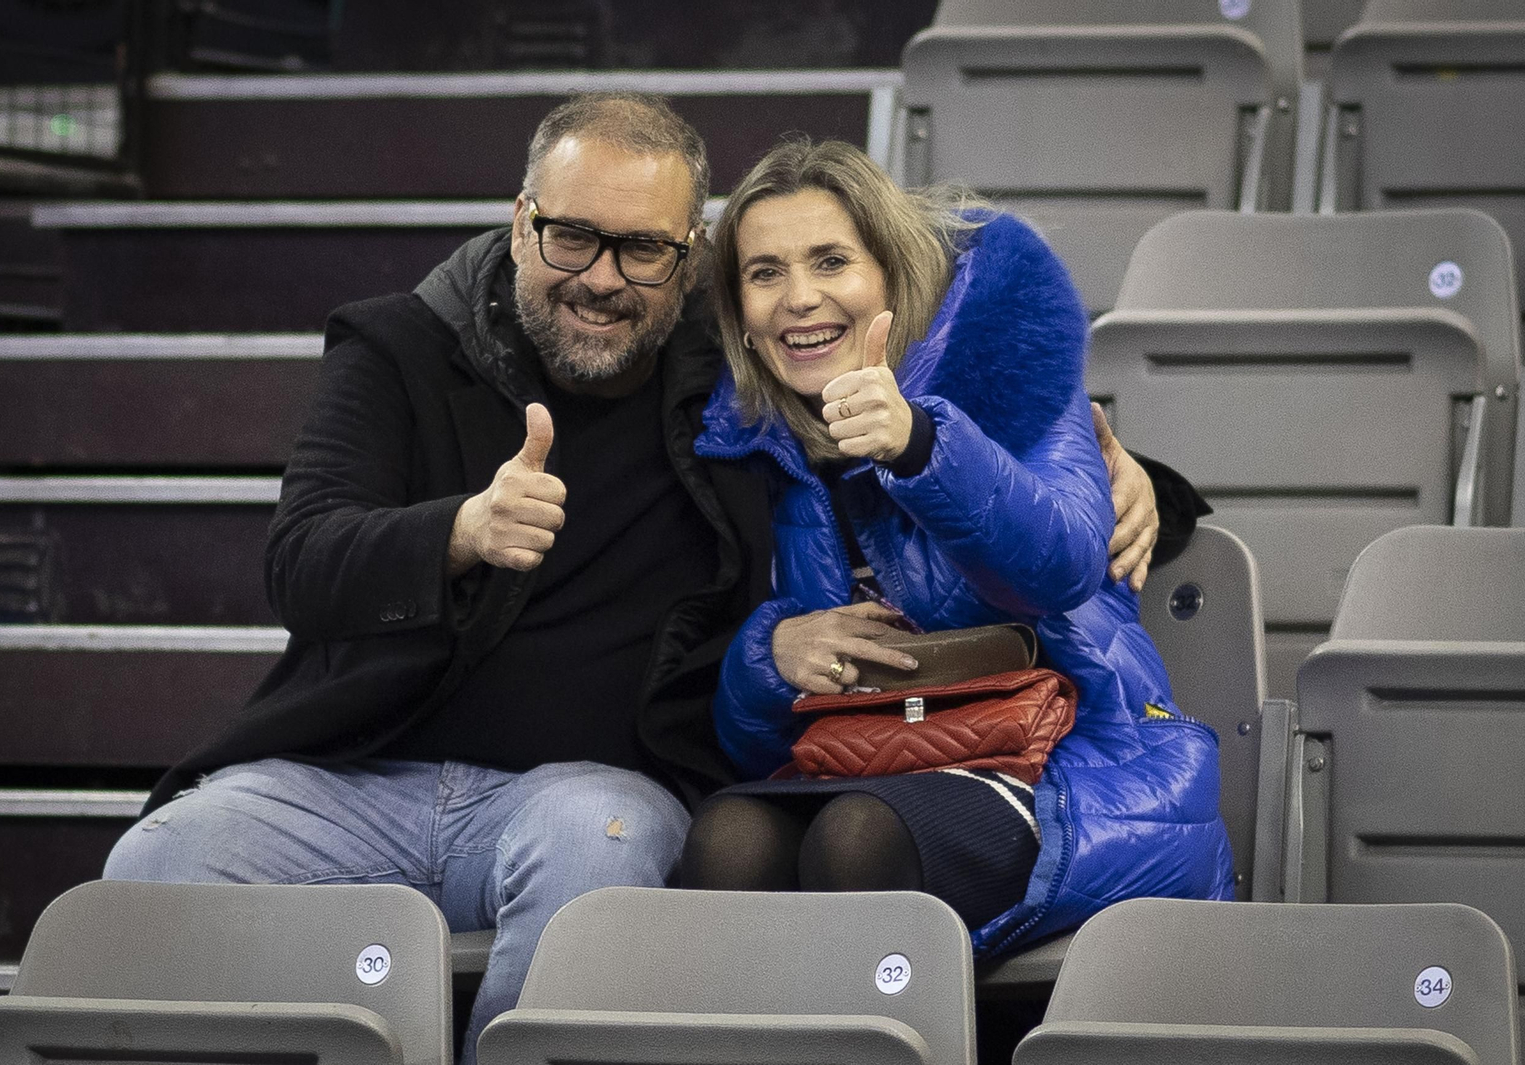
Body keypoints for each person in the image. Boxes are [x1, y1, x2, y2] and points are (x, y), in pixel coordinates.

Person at [101, 95, 1194, 1060]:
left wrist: (1140, 477)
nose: (602, 280)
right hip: (356, 774)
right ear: (520, 218)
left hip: (587, 791)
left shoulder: (722, 377)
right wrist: (458, 532)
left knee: (608, 843)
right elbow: (300, 563)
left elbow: (997, 455)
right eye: (572, 237)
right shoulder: (401, 351)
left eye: (642, 251)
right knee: (155, 866)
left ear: (684, 257)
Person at [680, 138, 1233, 955]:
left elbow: (1063, 564)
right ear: (739, 311)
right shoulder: (747, 444)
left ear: (893, 273)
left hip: (1072, 766)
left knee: (855, 839)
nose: (799, 298)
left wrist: (919, 443)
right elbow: (753, 741)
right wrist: (769, 656)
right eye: (765, 273)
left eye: (831, 261)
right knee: (727, 838)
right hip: (877, 759)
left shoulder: (1016, 382)